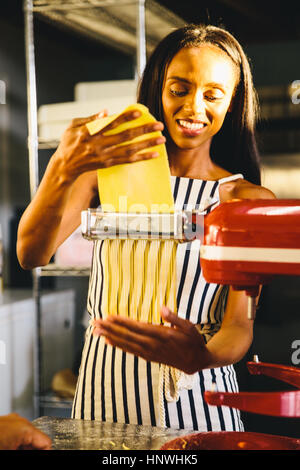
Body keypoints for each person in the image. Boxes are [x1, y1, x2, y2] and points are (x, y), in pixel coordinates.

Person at [17, 24, 275, 431]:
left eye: (212, 94)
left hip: (197, 398)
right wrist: (61, 168)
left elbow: (239, 329)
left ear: (232, 102)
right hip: (102, 395)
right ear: (158, 87)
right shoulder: (106, 170)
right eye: (180, 88)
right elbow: (31, 255)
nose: (193, 107)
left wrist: (202, 356)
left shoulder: (246, 201)